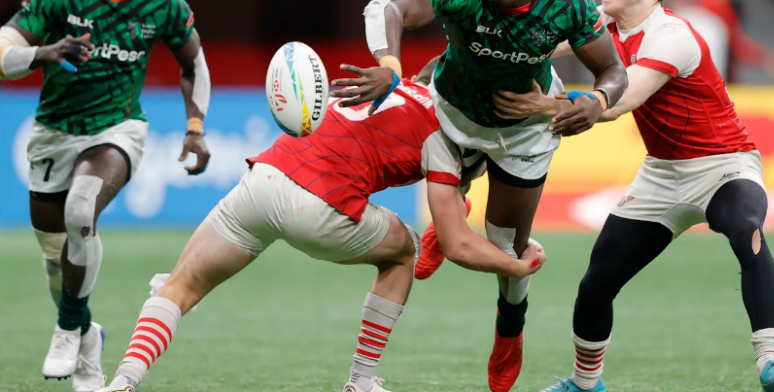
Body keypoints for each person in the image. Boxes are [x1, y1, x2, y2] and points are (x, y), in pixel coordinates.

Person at [96, 57, 546, 392]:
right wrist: (516, 268)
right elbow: (460, 245)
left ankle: (122, 382)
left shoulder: (384, 83)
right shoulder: (445, 137)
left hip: (263, 179)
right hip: (320, 209)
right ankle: (361, 381)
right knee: (402, 251)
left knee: (180, 286)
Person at [330, 0, 628, 392]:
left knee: (505, 245)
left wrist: (596, 101)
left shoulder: (568, 2)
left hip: (524, 132)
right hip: (453, 116)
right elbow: (390, 5)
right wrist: (389, 62)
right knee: (455, 215)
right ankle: (453, 208)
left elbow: (613, 72)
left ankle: (510, 327)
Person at [496, 0, 774, 392]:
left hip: (723, 167)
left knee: (745, 229)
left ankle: (770, 363)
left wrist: (538, 105)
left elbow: (621, 101)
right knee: (597, 281)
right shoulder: (601, 24)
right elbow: (534, 45)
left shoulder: (672, 36)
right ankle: (586, 383)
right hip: (662, 175)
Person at [0, 0, 212, 391]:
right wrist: (45, 51)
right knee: (55, 258)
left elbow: (194, 62)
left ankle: (66, 328)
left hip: (118, 129)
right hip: (53, 133)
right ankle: (88, 338)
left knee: (81, 209)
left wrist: (195, 126)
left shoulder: (163, 4)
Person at [695, 0, 774, 82]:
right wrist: (764, 58)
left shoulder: (698, 1)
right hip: (716, 73)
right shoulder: (717, 4)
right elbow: (736, 42)